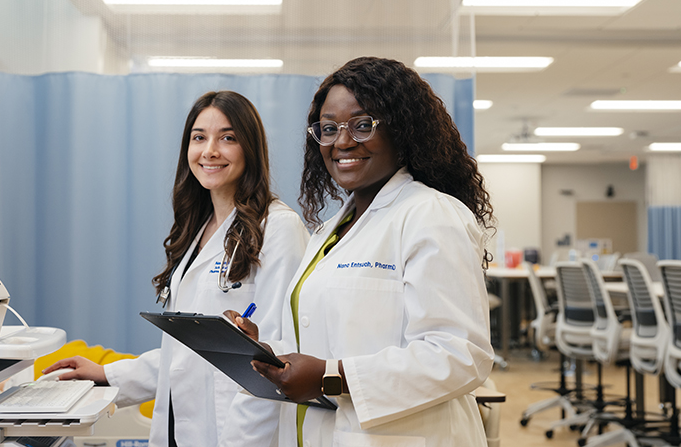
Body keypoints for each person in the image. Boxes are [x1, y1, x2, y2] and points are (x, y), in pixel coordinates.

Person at [247, 57, 497, 446]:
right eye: (329, 129)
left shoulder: (431, 215)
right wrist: (268, 353)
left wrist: (331, 376)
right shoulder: (331, 230)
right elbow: (328, 340)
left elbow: (460, 355)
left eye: (362, 125)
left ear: (403, 129)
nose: (343, 142)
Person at [43, 91, 310, 447]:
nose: (210, 150)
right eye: (199, 137)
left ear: (250, 148)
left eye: (227, 138)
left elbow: (275, 359)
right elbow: (185, 354)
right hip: (181, 430)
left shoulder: (278, 228)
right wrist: (107, 373)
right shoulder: (198, 231)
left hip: (239, 434)